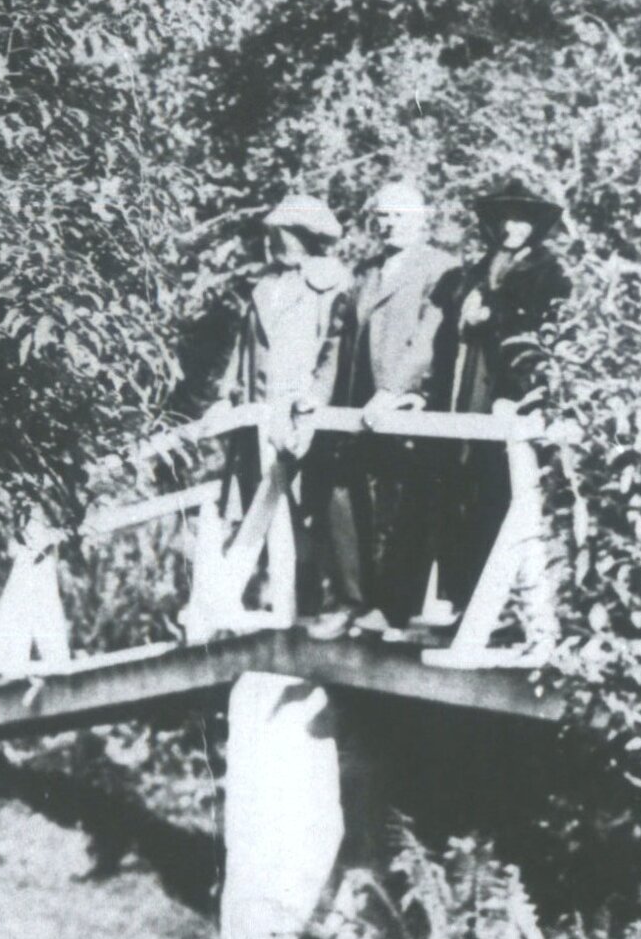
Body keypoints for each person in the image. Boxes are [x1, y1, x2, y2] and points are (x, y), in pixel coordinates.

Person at [431, 173, 568, 614]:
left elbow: (540, 338)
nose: (512, 229)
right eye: (506, 220)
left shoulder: (548, 274)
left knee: (504, 491)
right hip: (466, 385)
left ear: (535, 227)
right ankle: (464, 604)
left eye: (522, 221)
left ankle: (507, 610)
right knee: (459, 490)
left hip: (509, 391)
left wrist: (494, 317)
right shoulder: (474, 271)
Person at [218, 192, 356, 618]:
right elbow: (244, 351)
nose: (272, 241)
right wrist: (225, 396)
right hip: (259, 411)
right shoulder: (265, 286)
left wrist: (314, 399)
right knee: (264, 503)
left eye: (280, 233)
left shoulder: (329, 282)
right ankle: (282, 599)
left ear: (303, 236)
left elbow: (335, 348)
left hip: (304, 411)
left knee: (315, 503)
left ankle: (326, 598)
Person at [343, 179, 453, 636]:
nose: (391, 225)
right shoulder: (367, 271)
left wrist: (393, 388)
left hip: (407, 404)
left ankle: (399, 609)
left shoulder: (440, 267)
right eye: (383, 216)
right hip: (361, 407)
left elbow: (428, 338)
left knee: (413, 505)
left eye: (401, 216)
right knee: (357, 503)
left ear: (422, 220)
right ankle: (362, 603)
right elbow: (345, 337)